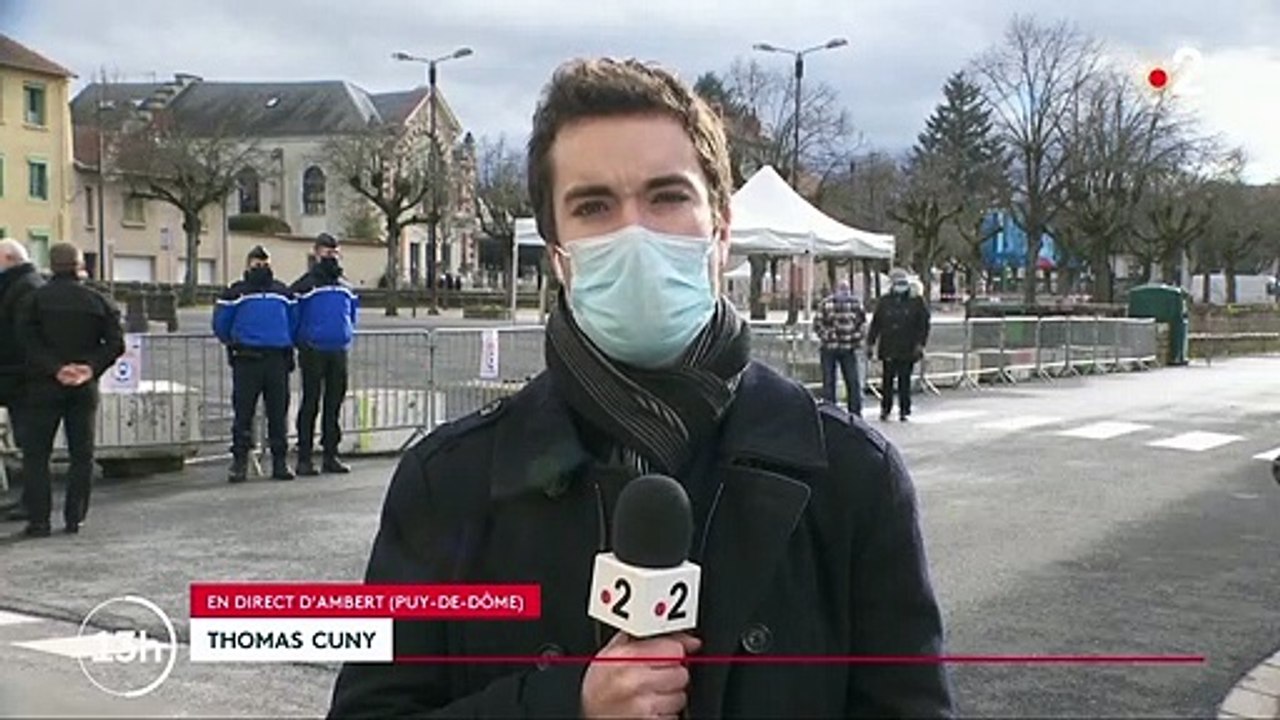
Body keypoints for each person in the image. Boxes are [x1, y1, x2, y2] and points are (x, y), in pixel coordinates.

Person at [327, 58, 953, 719]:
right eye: (594, 206)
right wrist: (564, 704)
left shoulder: (852, 476)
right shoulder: (447, 483)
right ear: (559, 254)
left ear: (720, 230)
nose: (636, 234)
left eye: (667, 197)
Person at [15, 243, 123, 536]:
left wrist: (55, 368)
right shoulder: (99, 300)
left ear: (51, 265)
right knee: (82, 453)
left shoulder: (35, 300)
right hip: (84, 387)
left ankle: (39, 520)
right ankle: (75, 517)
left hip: (43, 385)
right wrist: (88, 367)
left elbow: (25, 340)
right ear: (79, 266)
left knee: (37, 454)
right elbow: (115, 344)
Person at [213, 245, 298, 483]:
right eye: (256, 263)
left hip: (277, 359)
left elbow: (294, 322)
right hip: (247, 360)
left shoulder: (283, 292)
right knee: (243, 414)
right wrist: (234, 343)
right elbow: (221, 324)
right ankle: (239, 462)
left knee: (277, 413)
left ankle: (280, 462)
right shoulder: (235, 293)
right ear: (248, 265)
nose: (261, 267)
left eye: (265, 263)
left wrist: (286, 343)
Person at [290, 233, 358, 476]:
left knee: (334, 405)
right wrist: (302, 341)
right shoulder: (305, 286)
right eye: (327, 252)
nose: (331, 256)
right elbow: (294, 317)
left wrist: (347, 335)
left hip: (338, 349)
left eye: (335, 252)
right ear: (317, 253)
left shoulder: (346, 286)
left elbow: (352, 315)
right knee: (311, 403)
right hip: (313, 350)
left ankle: (331, 454)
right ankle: (305, 457)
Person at [0, 239, 46, 521]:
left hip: (21, 377)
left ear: (8, 257)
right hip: (17, 375)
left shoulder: (25, 287)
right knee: (28, 442)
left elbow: (20, 336)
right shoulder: (23, 284)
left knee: (31, 444)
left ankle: (33, 504)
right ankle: (30, 501)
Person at [867, 269, 931, 422]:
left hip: (908, 347)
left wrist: (920, 344)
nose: (900, 286)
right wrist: (871, 342)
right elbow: (876, 324)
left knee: (905, 380)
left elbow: (923, 325)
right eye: (897, 283)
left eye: (902, 283)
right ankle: (885, 408)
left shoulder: (916, 302)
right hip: (888, 346)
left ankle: (904, 409)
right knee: (887, 380)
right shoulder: (885, 301)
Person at [814, 280, 867, 417]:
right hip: (833, 348)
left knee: (851, 381)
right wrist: (831, 336)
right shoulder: (827, 304)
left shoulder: (855, 304)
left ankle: (852, 411)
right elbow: (818, 324)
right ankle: (832, 411)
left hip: (845, 348)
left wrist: (853, 337)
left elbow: (862, 324)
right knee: (831, 381)